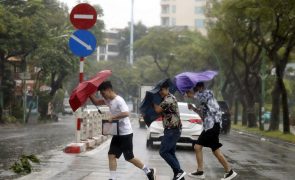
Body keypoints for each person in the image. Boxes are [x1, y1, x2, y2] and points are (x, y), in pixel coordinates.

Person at [89, 81, 156, 180]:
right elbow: (96, 102)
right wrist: (89, 94)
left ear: (108, 90)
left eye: (103, 93)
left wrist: (113, 117)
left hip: (125, 134)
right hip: (117, 133)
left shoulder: (119, 100)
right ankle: (113, 178)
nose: (102, 96)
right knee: (111, 155)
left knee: (129, 158)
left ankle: (148, 171)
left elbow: (126, 113)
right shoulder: (108, 100)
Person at [185, 82, 237, 180]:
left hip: (212, 125)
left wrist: (192, 95)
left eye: (195, 89)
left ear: (201, 87)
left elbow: (200, 97)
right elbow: (203, 115)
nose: (194, 91)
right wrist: (193, 109)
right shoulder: (203, 100)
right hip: (211, 125)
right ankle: (229, 171)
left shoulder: (208, 93)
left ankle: (200, 171)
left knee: (197, 147)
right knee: (215, 150)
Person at [153, 81, 186, 180]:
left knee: (163, 152)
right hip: (171, 130)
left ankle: (179, 172)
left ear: (167, 89)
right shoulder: (166, 99)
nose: (160, 92)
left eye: (162, 90)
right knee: (171, 153)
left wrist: (153, 102)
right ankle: (179, 175)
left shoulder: (169, 99)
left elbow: (158, 110)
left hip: (172, 130)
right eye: (159, 91)